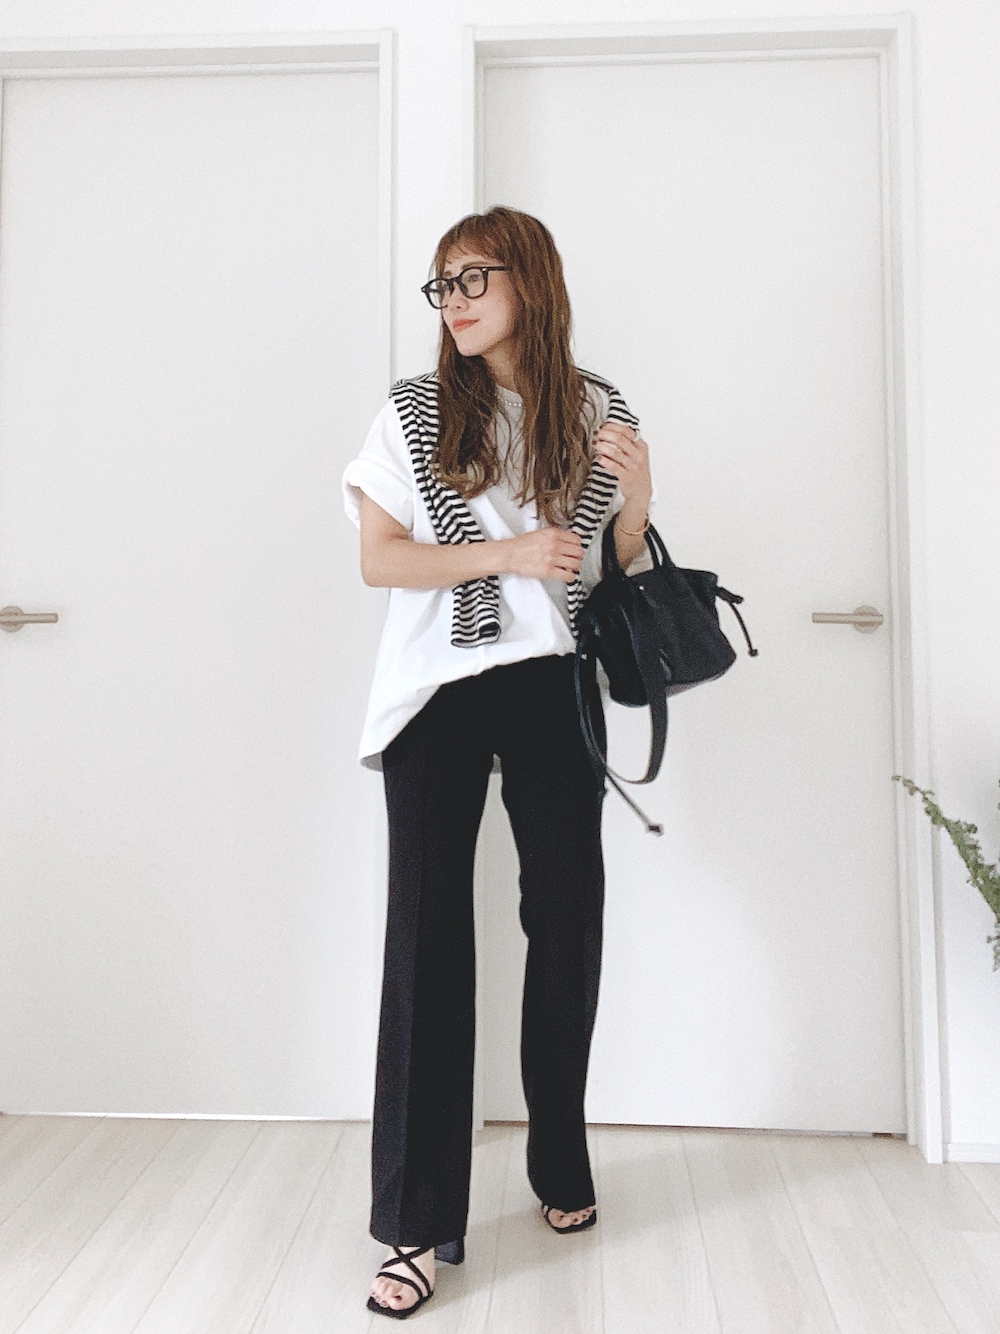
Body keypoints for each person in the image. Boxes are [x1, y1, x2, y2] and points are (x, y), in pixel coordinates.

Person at [341, 205, 655, 1318]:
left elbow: (610, 578)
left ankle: (558, 1157)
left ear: (531, 279)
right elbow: (380, 560)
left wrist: (637, 501)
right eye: (443, 284)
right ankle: (414, 1223)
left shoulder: (599, 408)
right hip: (438, 686)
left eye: (474, 276)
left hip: (554, 680)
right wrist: (507, 551)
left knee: (566, 919)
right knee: (428, 934)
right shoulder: (415, 410)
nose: (455, 300)